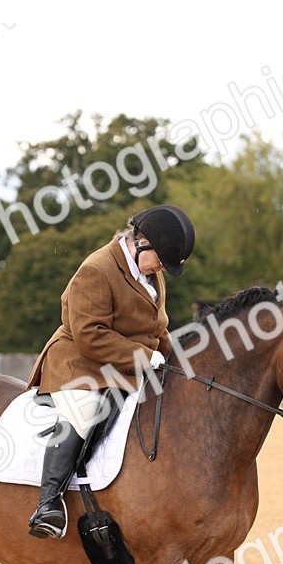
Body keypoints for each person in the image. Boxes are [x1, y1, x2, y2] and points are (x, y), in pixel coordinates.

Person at [26, 204, 196, 539]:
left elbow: (157, 327)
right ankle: (48, 503)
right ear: (142, 241)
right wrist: (147, 358)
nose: (162, 267)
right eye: (162, 258)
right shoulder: (97, 269)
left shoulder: (151, 274)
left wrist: (179, 362)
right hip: (80, 363)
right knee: (85, 409)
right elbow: (90, 335)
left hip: (125, 362)